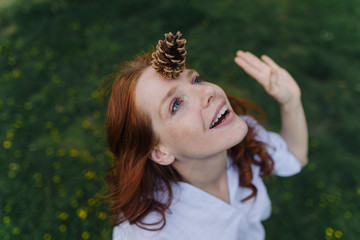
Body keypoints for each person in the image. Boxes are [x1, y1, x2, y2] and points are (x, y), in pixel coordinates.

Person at [105, 32, 308, 240]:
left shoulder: (247, 140)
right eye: (176, 104)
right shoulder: (147, 232)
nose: (207, 91)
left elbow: (294, 156)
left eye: (196, 80)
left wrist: (291, 103)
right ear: (159, 152)